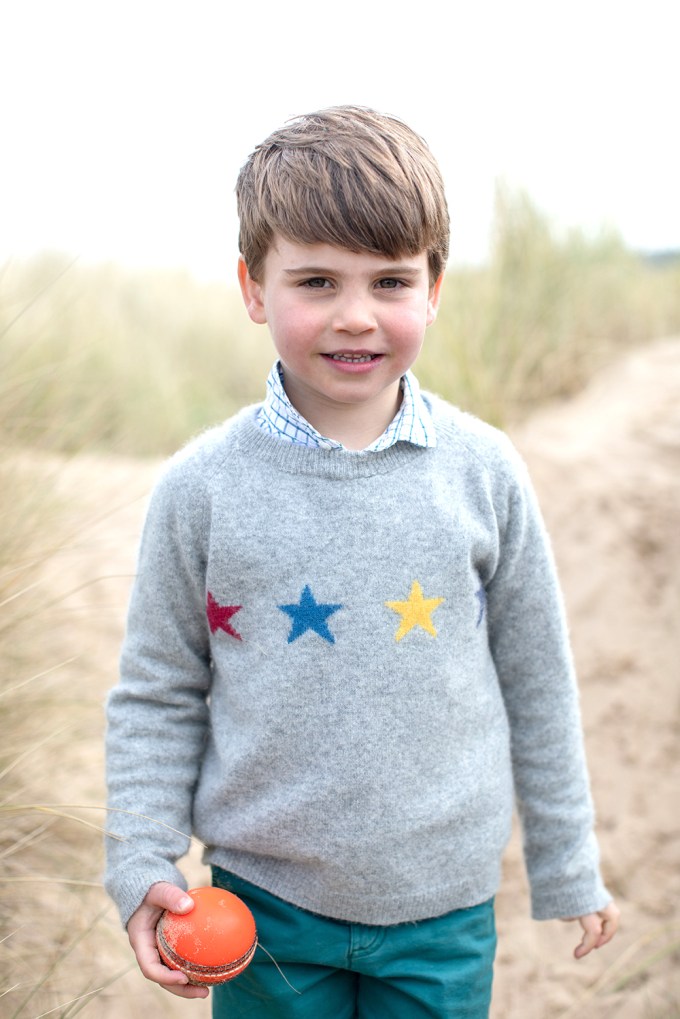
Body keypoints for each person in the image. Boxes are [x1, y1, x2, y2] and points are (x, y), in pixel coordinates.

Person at [105, 105, 619, 1018]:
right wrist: (143, 856)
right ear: (252, 287)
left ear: (434, 289)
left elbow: (538, 677)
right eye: (315, 280)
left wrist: (567, 859)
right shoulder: (202, 488)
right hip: (260, 907)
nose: (356, 316)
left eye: (390, 280)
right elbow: (158, 685)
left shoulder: (484, 470)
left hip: (442, 907)